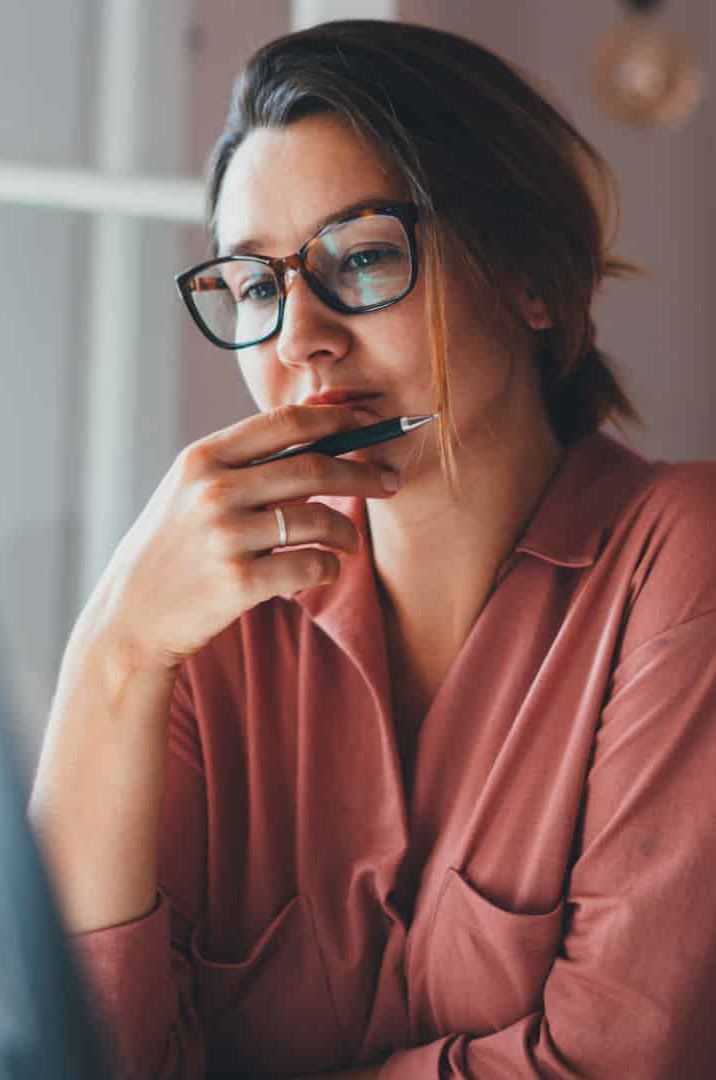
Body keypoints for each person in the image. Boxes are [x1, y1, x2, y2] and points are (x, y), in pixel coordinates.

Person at [28, 17, 716, 1080]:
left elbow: (612, 1063)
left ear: (530, 278)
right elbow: (76, 1057)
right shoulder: (203, 624)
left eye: (359, 257)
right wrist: (114, 650)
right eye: (256, 286)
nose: (299, 334)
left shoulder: (678, 561)